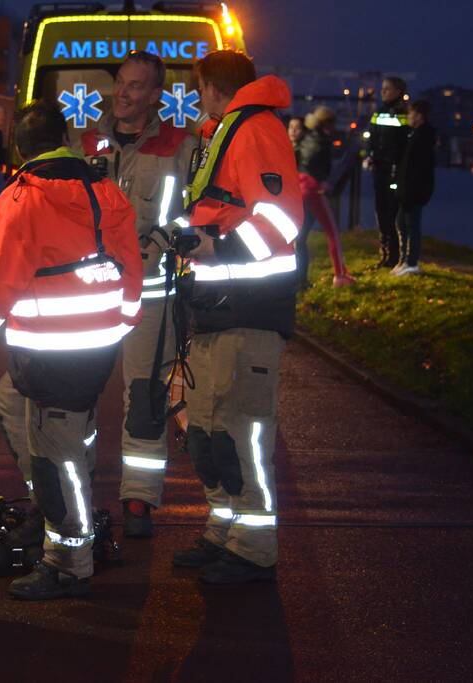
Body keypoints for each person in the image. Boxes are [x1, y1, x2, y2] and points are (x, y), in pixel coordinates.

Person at [0, 100, 142, 600]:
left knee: (58, 459)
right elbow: (132, 274)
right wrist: (115, 326)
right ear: (66, 139)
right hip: (94, 350)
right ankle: (57, 508)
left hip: (50, 353)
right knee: (16, 406)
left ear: (19, 148)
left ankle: (70, 560)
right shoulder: (105, 194)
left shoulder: (19, 202)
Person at [175, 50, 302, 584]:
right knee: (210, 433)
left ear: (211, 86)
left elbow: (279, 220)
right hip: (219, 312)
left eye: (200, 88)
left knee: (243, 435)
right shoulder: (230, 130)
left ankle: (253, 550)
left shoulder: (254, 130)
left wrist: (217, 247)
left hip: (247, 311)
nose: (198, 98)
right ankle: (224, 531)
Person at [79, 51, 196, 538]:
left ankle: (139, 500)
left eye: (135, 87)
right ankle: (74, 487)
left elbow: (197, 210)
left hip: (150, 294)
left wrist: (166, 239)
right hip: (87, 292)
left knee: (145, 394)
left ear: (155, 96)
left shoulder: (179, 146)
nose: (123, 94)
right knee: (75, 388)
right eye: (121, 84)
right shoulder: (86, 142)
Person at [294, 107, 354, 288]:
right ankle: (340, 276)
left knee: (300, 236)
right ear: (327, 123)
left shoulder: (306, 138)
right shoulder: (323, 141)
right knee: (332, 233)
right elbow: (326, 168)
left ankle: (297, 279)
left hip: (300, 187)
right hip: (314, 189)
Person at [365, 76, 410, 268]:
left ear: (398, 91)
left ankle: (395, 254)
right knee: (381, 211)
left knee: (392, 211)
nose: (383, 92)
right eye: (382, 89)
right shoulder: (379, 112)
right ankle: (385, 254)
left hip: (394, 171)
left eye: (387, 89)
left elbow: (405, 145)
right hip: (379, 169)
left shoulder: (405, 114)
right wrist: (369, 155)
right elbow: (371, 137)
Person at [392, 99, 436, 276]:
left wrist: (412, 190)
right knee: (402, 223)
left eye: (411, 113)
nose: (408, 116)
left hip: (413, 191)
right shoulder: (414, 135)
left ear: (419, 116)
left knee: (411, 225)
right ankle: (404, 260)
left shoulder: (422, 138)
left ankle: (411, 262)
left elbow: (418, 169)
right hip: (408, 190)